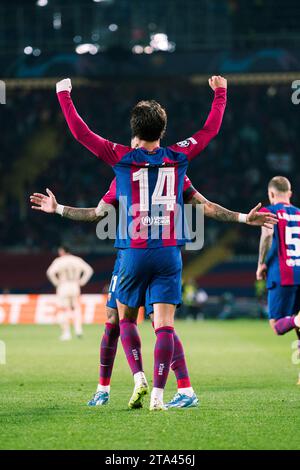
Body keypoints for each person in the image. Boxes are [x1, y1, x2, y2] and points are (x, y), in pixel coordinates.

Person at [31, 176, 276, 405]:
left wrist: (59, 209)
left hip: (135, 254)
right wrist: (243, 218)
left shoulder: (129, 171)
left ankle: (143, 384)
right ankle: (125, 389)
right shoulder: (171, 172)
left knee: (136, 321)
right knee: (128, 320)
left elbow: (96, 214)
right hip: (155, 255)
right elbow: (207, 206)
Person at [256, 176, 300, 383]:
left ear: (271, 194)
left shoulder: (269, 212)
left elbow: (267, 236)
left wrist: (261, 263)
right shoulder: (299, 213)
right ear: (289, 194)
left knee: (277, 326)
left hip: (282, 274)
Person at [46, 244, 93, 340]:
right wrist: (82, 281)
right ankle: (78, 330)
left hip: (63, 285)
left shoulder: (59, 261)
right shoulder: (77, 259)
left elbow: (50, 272)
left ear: (62, 251)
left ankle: (66, 333)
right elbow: (89, 270)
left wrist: (56, 283)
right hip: (75, 285)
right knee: (76, 308)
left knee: (64, 309)